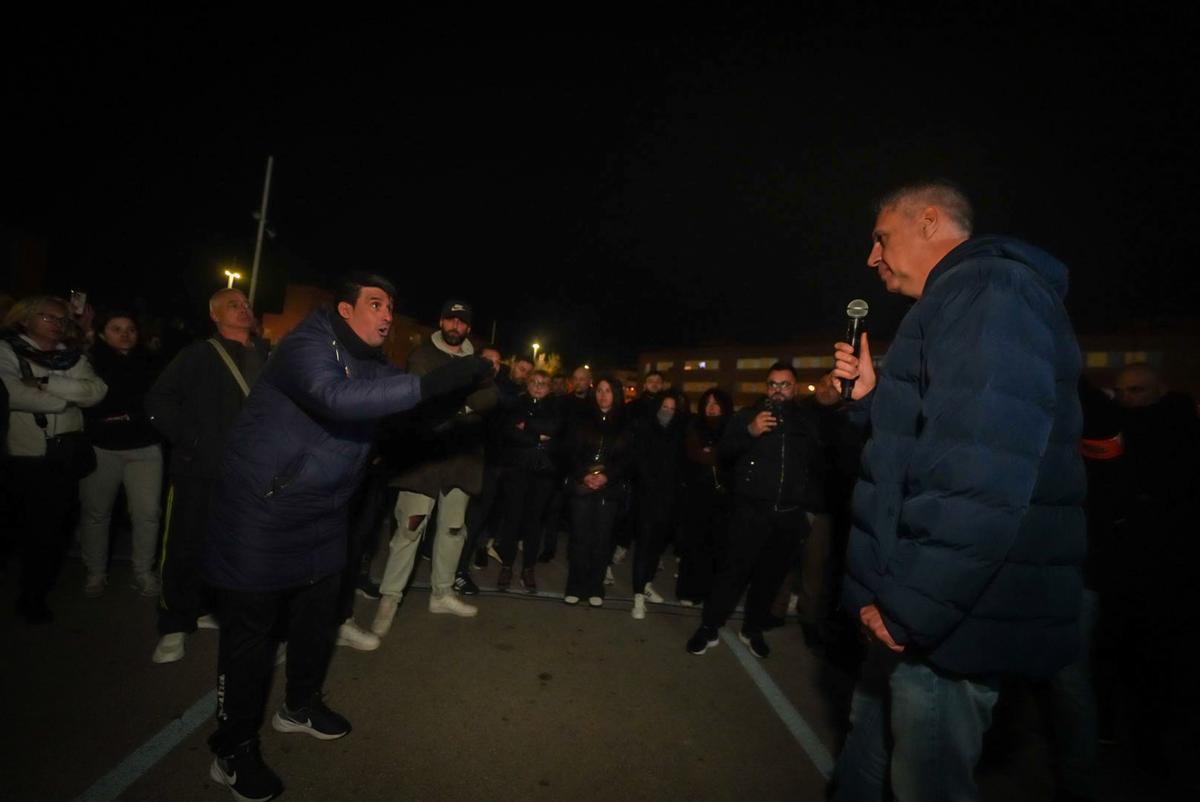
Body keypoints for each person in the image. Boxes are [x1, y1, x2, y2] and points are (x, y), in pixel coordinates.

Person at [825, 181, 1086, 801]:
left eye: (881, 238)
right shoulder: (952, 300)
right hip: (912, 602)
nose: (872, 257)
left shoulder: (989, 291)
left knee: (929, 781)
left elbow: (980, 476)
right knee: (866, 760)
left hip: (942, 620)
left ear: (930, 222)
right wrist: (871, 399)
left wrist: (912, 609)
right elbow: (933, 443)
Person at [202, 273, 490, 802]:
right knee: (252, 635)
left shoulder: (376, 362)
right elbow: (335, 398)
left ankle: (300, 705)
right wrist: (430, 385)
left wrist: (460, 409)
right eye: (376, 304)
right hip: (263, 511)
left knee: (319, 615)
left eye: (391, 307)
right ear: (344, 309)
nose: (386, 316)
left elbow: (393, 424)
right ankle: (232, 748)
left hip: (325, 511)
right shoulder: (306, 347)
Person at [144, 288, 269, 664]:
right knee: (185, 544)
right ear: (214, 315)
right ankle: (175, 624)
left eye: (246, 303)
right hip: (200, 470)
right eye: (233, 304)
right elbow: (158, 400)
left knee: (235, 549)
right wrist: (193, 440)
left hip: (250, 473)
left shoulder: (266, 355)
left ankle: (213, 609)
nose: (243, 308)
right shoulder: (198, 354)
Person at [372, 299, 498, 636]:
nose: (456, 327)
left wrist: (454, 402)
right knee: (409, 530)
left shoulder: (477, 362)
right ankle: (389, 599)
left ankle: (442, 593)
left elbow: (490, 400)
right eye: (450, 321)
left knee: (454, 529)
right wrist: (463, 403)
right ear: (441, 322)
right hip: (423, 459)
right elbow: (422, 400)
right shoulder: (422, 355)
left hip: (462, 458)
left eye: (462, 323)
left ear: (469, 328)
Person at [684, 363, 823, 657]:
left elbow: (819, 462)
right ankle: (709, 627)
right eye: (773, 384)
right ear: (766, 387)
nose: (778, 390)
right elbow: (725, 453)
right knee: (732, 574)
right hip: (749, 513)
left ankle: (753, 629)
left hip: (787, 516)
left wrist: (806, 508)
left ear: (795, 388)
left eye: (785, 385)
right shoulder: (747, 416)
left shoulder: (806, 421)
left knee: (770, 578)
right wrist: (750, 431)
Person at [1, 295, 108, 622]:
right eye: (48, 317)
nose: (57, 323)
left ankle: (33, 597)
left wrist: (46, 384)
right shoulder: (8, 350)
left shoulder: (69, 356)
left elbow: (96, 391)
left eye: (62, 319)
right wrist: (65, 402)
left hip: (64, 455)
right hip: (23, 455)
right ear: (25, 319)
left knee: (50, 532)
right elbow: (12, 394)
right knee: (15, 527)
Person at [78, 310, 164, 597]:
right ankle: (95, 573)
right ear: (103, 333)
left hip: (144, 447)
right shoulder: (88, 361)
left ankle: (143, 572)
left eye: (130, 329)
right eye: (116, 329)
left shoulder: (150, 362)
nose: (125, 334)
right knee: (96, 513)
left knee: (147, 513)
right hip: (102, 446)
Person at [562, 375, 632, 606]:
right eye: (600, 390)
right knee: (579, 538)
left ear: (616, 394)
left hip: (609, 487)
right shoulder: (581, 417)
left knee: (602, 540)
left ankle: (595, 587)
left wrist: (606, 476)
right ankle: (574, 586)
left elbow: (627, 458)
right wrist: (584, 475)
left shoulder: (625, 421)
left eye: (608, 390)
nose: (603, 395)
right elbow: (569, 452)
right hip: (582, 484)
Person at [494, 369, 563, 593]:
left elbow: (555, 429)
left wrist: (528, 427)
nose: (538, 386)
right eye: (534, 381)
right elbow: (509, 432)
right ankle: (506, 566)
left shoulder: (557, 406)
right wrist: (537, 436)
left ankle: (528, 569)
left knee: (534, 522)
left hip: (543, 473)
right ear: (527, 383)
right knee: (512, 520)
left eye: (543, 382)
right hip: (517, 470)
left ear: (550, 386)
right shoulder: (516, 403)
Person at [629, 391, 685, 619]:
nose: (668, 412)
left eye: (672, 408)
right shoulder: (645, 429)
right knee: (643, 546)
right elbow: (638, 462)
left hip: (667, 500)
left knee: (656, 547)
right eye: (665, 407)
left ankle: (648, 583)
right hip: (646, 498)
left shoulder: (678, 433)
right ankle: (638, 596)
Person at [676, 387, 733, 606]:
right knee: (694, 545)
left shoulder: (730, 427)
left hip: (723, 498)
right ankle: (689, 591)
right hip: (696, 494)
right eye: (707, 403)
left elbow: (730, 455)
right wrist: (711, 454)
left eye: (716, 403)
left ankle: (710, 593)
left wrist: (713, 453)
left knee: (717, 546)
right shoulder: (694, 426)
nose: (711, 408)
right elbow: (693, 454)